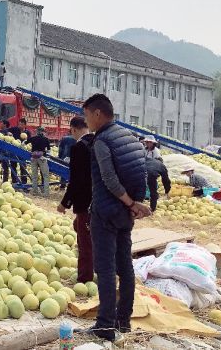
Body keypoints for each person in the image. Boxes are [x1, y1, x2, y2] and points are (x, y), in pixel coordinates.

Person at [78, 93, 151, 342]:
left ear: (98, 114)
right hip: (124, 214)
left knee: (106, 269)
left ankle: (105, 325)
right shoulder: (130, 138)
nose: (86, 121)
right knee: (125, 266)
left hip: (106, 212)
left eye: (87, 116)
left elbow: (109, 179)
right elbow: (141, 172)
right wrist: (135, 205)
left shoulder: (102, 141)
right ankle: (124, 321)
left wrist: (130, 203)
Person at [57, 116, 94, 283]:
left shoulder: (79, 147)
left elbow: (76, 180)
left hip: (85, 202)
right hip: (102, 200)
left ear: (73, 129)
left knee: (85, 242)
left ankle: (84, 279)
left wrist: (65, 203)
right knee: (83, 230)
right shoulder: (99, 142)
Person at [27, 127, 51, 195]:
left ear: (37, 132)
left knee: (34, 176)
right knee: (45, 176)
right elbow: (48, 150)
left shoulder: (33, 138)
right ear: (43, 132)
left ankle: (35, 191)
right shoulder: (46, 139)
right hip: (42, 158)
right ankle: (46, 193)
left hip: (33, 158)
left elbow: (25, 142)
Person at [6, 118, 29, 184]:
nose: (20, 126)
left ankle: (24, 181)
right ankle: (14, 181)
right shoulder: (15, 129)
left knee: (23, 167)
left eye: (21, 124)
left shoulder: (27, 133)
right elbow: (6, 130)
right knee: (13, 166)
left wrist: (27, 140)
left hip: (23, 152)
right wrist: (8, 132)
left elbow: (30, 142)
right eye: (19, 124)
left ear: (25, 125)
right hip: (14, 151)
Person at [0, 120, 13, 184]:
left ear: (5, 125)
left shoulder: (7, 132)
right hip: (0, 152)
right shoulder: (4, 132)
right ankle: (3, 181)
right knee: (2, 168)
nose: (0, 124)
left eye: (1, 123)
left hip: (3, 152)